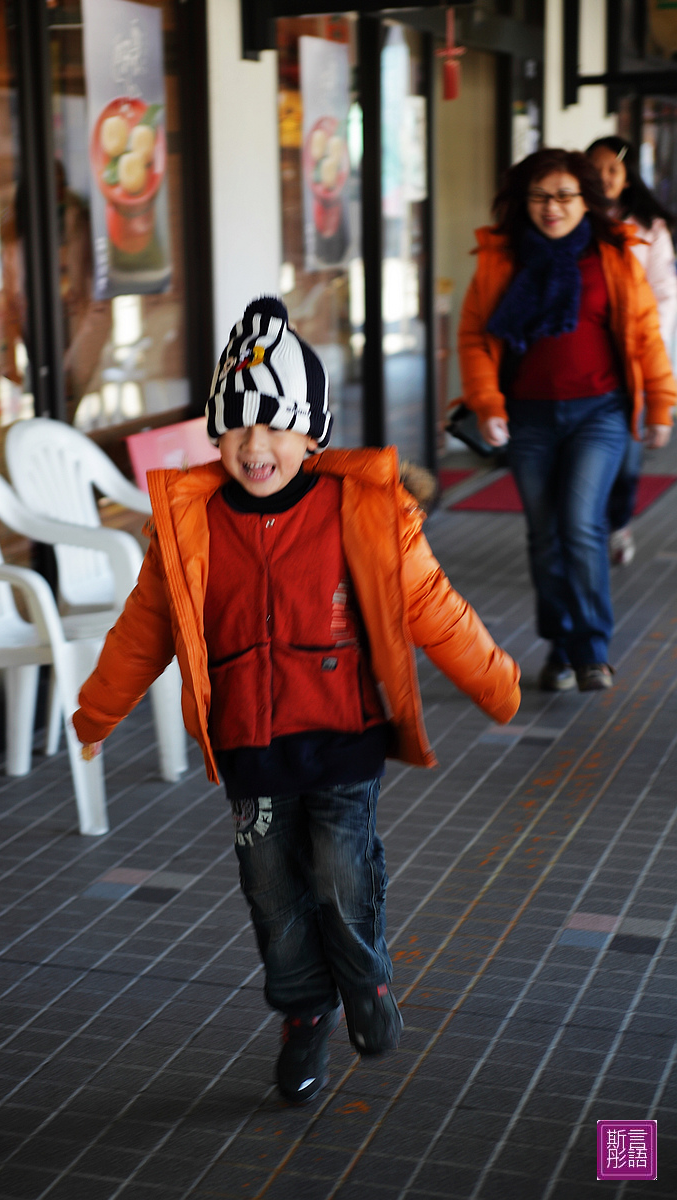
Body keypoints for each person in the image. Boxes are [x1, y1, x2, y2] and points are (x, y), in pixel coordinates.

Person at [72, 296, 521, 1104]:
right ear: (216, 433)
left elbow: (433, 605)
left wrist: (495, 682)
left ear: (311, 433)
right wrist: (97, 711)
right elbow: (145, 631)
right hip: (251, 750)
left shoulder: (364, 512)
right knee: (274, 893)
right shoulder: (194, 525)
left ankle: (367, 981)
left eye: (275, 425)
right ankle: (302, 1012)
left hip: (342, 737)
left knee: (342, 873)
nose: (255, 445)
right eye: (237, 425)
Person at [459, 148, 675, 694]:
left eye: (563, 196)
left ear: (587, 200)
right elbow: (474, 338)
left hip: (598, 413)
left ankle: (592, 650)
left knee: (580, 524)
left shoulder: (615, 254)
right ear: (522, 200)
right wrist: (488, 405)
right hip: (528, 417)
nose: (551, 208)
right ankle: (559, 643)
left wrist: (661, 405)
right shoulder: (501, 258)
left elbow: (646, 332)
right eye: (539, 196)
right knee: (543, 536)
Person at [586, 135, 677, 566]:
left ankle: (617, 523)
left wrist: (636, 337)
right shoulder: (571, 218)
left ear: (627, 177)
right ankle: (584, 534)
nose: (603, 179)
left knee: (626, 462)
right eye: (596, 169)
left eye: (613, 171)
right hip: (582, 365)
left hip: (632, 364)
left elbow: (664, 295)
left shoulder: (649, 228)